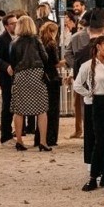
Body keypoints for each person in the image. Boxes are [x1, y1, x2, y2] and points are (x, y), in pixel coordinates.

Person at [74, 34, 104, 191]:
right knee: (99, 139)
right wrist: (89, 93)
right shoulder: (87, 66)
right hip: (95, 103)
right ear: (98, 47)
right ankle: (94, 175)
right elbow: (77, 85)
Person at [9, 15, 52, 152]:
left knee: (19, 110)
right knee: (41, 109)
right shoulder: (36, 40)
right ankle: (43, 142)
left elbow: (12, 61)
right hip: (36, 75)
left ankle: (20, 141)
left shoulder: (14, 43)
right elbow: (45, 57)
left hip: (20, 75)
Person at [65, 9, 104, 139]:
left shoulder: (76, 36)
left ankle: (79, 129)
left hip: (80, 76)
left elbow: (68, 54)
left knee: (79, 103)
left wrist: (76, 67)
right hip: (100, 76)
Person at [0, 12, 18, 143]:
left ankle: (18, 131)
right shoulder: (1, 39)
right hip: (6, 77)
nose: (15, 25)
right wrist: (6, 66)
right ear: (7, 26)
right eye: (13, 23)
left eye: (16, 22)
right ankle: (6, 135)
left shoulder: (19, 37)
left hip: (19, 76)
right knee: (7, 106)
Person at [38, 20, 63, 148]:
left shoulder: (40, 43)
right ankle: (51, 137)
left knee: (43, 109)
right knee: (53, 108)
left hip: (42, 77)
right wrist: (66, 61)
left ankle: (40, 137)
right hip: (52, 77)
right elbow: (55, 63)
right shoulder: (52, 44)